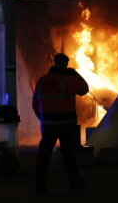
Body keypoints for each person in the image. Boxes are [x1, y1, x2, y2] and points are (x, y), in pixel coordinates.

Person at [32, 53, 89, 194]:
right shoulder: (68, 80)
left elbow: (34, 104)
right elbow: (84, 89)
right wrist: (75, 73)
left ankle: (39, 186)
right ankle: (74, 184)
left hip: (48, 126)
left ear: (54, 62)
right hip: (66, 125)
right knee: (69, 155)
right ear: (66, 65)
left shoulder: (42, 80)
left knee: (44, 156)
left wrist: (43, 119)